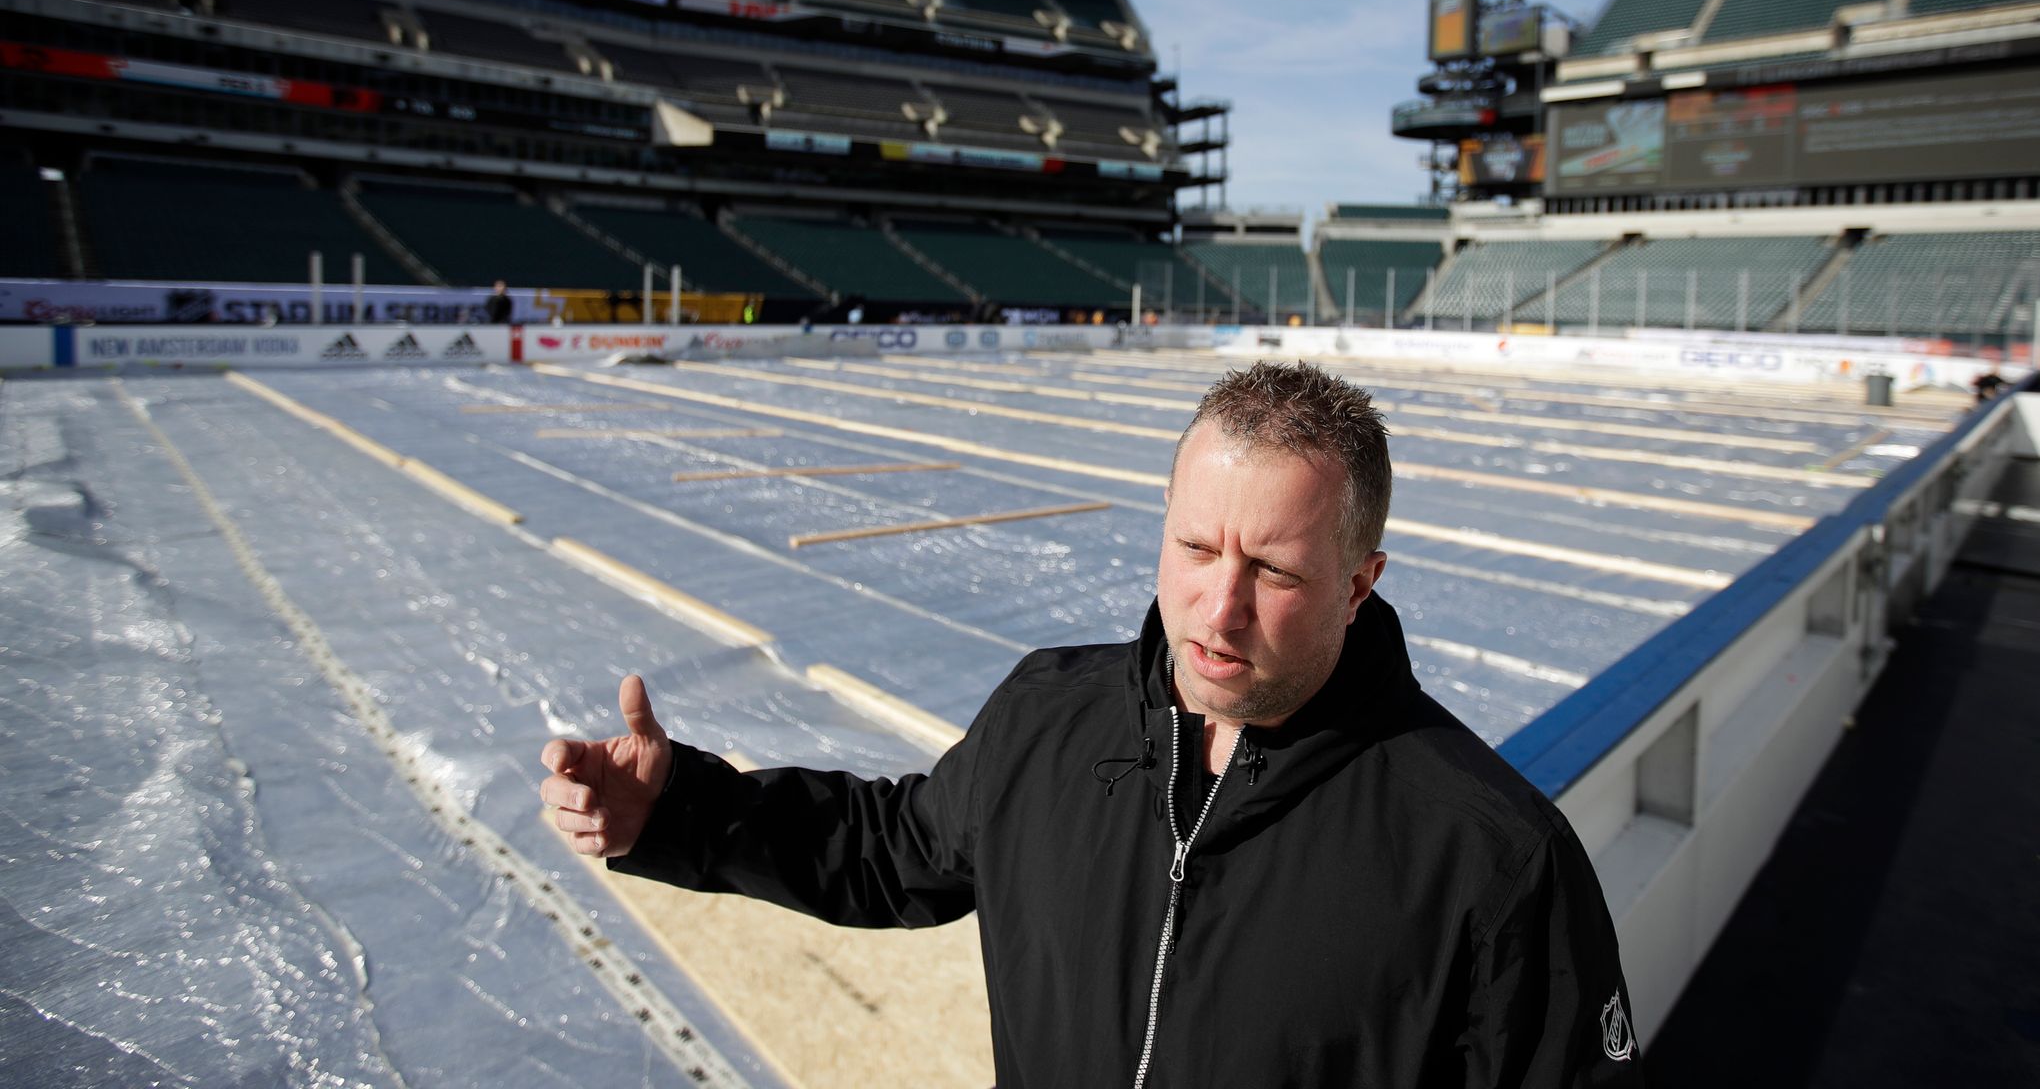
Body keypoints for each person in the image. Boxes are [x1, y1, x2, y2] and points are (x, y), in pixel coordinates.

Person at [540, 362, 1643, 1087]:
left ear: (1361, 582)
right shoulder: (1049, 718)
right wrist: (678, 808)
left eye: (1275, 569)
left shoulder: (1491, 856)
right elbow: (893, 851)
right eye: (1198, 547)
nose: (1220, 606)